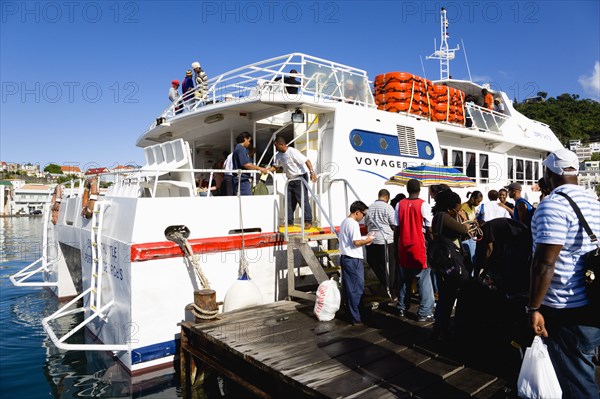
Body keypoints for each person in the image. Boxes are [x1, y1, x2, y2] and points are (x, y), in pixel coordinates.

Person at [528, 148, 600, 399]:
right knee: (584, 368)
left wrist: (533, 307)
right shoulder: (594, 202)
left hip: (565, 308)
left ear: (549, 174)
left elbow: (545, 264)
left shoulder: (553, 205)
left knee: (576, 383)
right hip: (593, 302)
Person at [431, 190, 472, 340]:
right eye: (457, 207)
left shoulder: (439, 216)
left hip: (443, 261)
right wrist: (461, 218)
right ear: (450, 207)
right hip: (448, 262)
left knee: (445, 297)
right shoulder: (444, 217)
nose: (459, 209)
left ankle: (439, 329)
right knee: (447, 297)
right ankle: (442, 332)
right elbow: (463, 229)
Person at [395, 179, 435, 321]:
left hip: (403, 246)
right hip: (419, 247)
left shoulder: (399, 205)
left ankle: (401, 308)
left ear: (407, 189)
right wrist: (434, 245)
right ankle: (424, 313)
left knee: (404, 280)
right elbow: (429, 229)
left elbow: (397, 229)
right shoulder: (424, 205)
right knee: (423, 281)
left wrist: (396, 247)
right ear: (419, 189)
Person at [267, 135, 317, 229]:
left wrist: (312, 173)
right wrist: (267, 170)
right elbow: (276, 167)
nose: (275, 148)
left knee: (302, 199)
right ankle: (289, 222)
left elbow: (307, 161)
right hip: (290, 179)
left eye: (276, 146)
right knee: (289, 201)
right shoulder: (278, 155)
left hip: (300, 177)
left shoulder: (293, 152)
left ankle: (308, 221)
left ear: (282, 144)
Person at [339, 201, 373, 326]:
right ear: (357, 212)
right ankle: (357, 318)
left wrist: (364, 239)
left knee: (349, 289)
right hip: (353, 259)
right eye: (363, 214)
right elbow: (356, 243)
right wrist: (368, 240)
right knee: (356, 289)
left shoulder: (344, 222)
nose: (363, 217)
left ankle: (351, 314)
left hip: (345, 257)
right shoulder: (353, 224)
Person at [364, 189, 397, 295]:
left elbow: (366, 224)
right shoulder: (388, 207)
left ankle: (376, 290)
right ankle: (388, 290)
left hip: (372, 241)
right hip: (386, 241)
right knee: (389, 267)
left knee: (375, 267)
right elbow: (393, 224)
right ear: (387, 197)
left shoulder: (369, 207)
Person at [460, 191, 483, 264]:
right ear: (473, 199)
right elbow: (464, 222)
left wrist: (475, 221)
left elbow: (472, 219)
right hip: (466, 237)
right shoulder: (463, 207)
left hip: (472, 235)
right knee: (468, 259)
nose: (479, 204)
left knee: (473, 258)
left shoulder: (472, 207)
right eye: (478, 201)